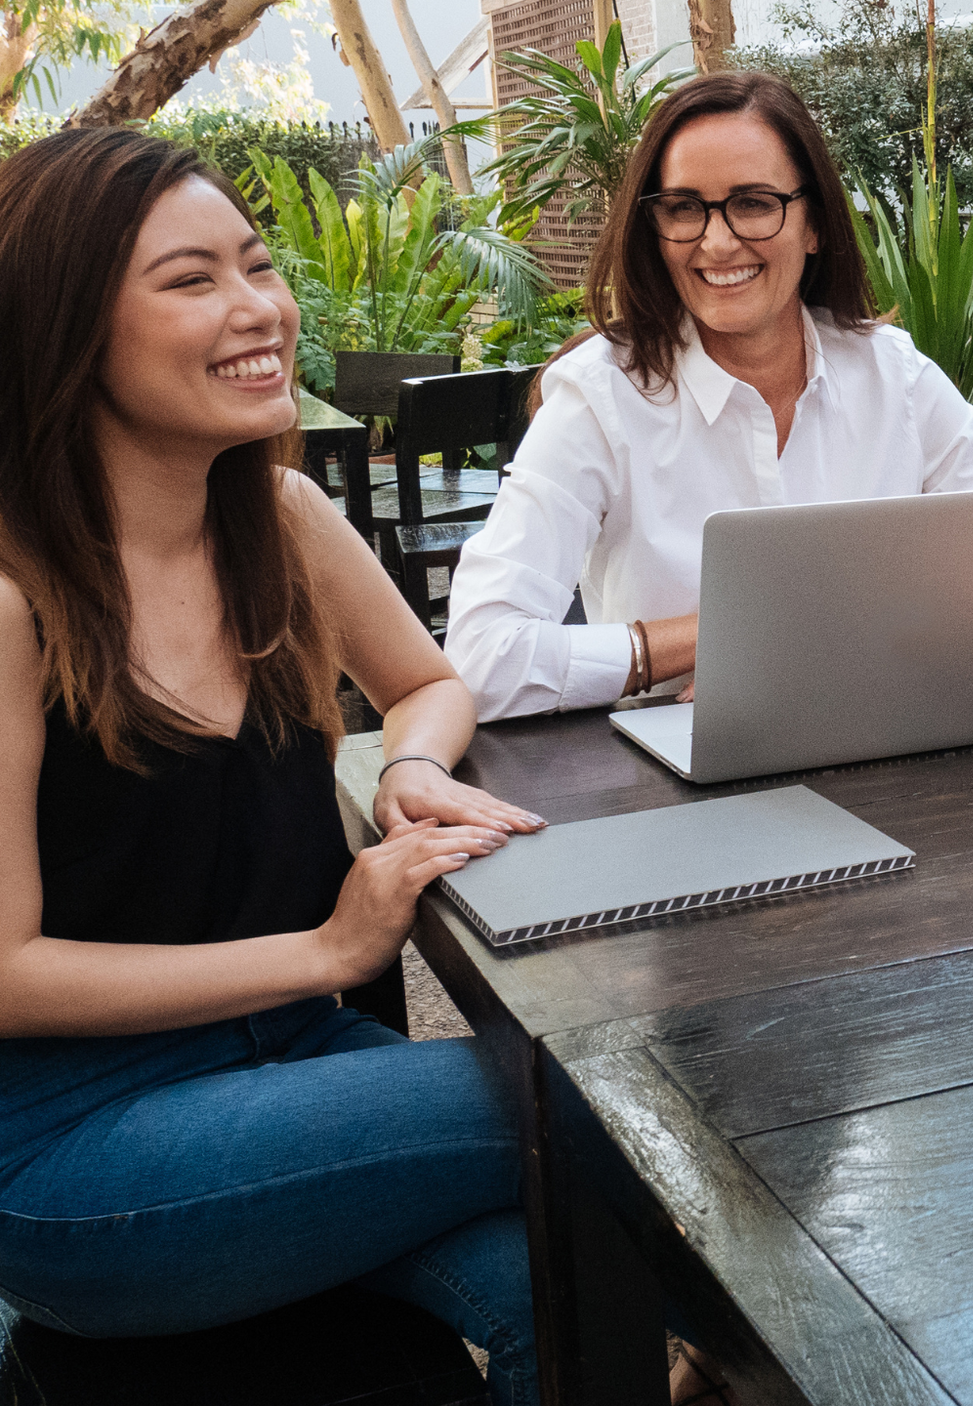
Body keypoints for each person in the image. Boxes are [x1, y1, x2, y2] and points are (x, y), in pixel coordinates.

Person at [0, 130, 545, 1401]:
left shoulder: (280, 518)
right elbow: (4, 970)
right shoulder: (15, 600)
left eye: (256, 264)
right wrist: (329, 950)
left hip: (287, 1071)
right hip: (77, 1145)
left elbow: (429, 680)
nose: (259, 309)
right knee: (609, 1107)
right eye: (192, 280)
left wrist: (408, 765)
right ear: (64, 327)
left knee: (562, 1268)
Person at [447, 71, 973, 721]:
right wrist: (713, 637)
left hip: (884, 743)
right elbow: (480, 659)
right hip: (680, 784)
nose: (716, 241)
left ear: (814, 224)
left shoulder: (897, 379)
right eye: (685, 207)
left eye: (752, 202)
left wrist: (823, 642)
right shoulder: (600, 398)